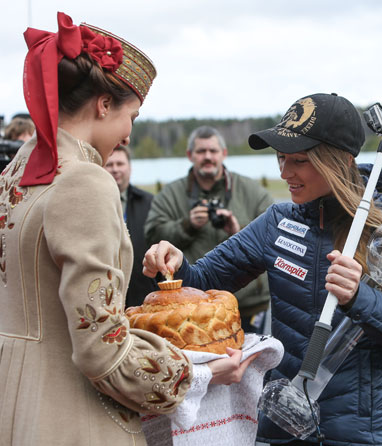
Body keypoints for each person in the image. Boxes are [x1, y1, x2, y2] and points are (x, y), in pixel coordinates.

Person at [0, 12, 257, 446]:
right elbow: (101, 345)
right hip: (69, 415)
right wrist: (199, 374)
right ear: (103, 104)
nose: (127, 135)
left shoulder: (18, 168)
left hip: (12, 393)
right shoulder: (84, 178)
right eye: (132, 116)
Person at [143, 93, 382, 446]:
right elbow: (203, 281)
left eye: (299, 161)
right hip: (281, 427)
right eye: (281, 158)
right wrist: (174, 264)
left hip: (362, 434)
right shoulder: (277, 222)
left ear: (341, 161)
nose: (285, 173)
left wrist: (359, 298)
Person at [144, 125, 274, 333]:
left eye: (213, 151)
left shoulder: (252, 191)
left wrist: (238, 231)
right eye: (201, 151)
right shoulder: (171, 194)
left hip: (250, 304)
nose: (207, 157)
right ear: (189, 155)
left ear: (224, 153)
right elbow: (152, 235)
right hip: (192, 306)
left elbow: (273, 235)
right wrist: (187, 226)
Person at [105, 144, 155, 307]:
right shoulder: (92, 204)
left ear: (130, 168)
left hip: (142, 292)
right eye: (110, 165)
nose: (115, 169)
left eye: (120, 164)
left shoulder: (150, 203)